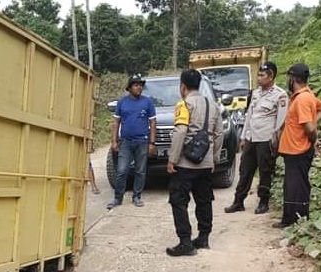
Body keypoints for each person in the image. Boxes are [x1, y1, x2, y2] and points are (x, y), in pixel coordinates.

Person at [166, 69, 223, 256]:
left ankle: (185, 242)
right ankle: (203, 238)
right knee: (204, 200)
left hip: (185, 163)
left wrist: (172, 159)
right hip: (205, 163)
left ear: (182, 86)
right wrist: (214, 158)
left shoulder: (184, 104)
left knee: (178, 200)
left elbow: (181, 132)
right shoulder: (212, 105)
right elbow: (219, 134)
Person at [225, 61, 288, 215]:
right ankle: (238, 201)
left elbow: (281, 121)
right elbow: (249, 116)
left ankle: (263, 202)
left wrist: (276, 141)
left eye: (262, 75)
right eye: (258, 75)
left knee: (265, 171)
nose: (259, 78)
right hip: (252, 138)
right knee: (245, 170)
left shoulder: (280, 95)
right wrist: (244, 137)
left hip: (266, 139)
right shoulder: (255, 93)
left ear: (271, 76)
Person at [274, 63, 321, 228]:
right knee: (294, 185)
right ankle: (292, 218)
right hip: (294, 148)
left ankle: (295, 220)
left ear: (293, 78)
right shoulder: (305, 95)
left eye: (288, 78)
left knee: (296, 186)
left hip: (298, 149)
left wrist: (313, 137)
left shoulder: (302, 99)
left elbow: (309, 128)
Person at [108, 74, 156, 209]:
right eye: (136, 85)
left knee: (140, 171)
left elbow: (153, 123)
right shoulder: (122, 102)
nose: (139, 87)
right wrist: (114, 141)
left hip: (142, 141)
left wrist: (152, 143)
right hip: (126, 142)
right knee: (122, 170)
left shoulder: (147, 102)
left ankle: (137, 196)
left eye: (140, 85)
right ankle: (118, 198)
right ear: (129, 88)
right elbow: (116, 122)